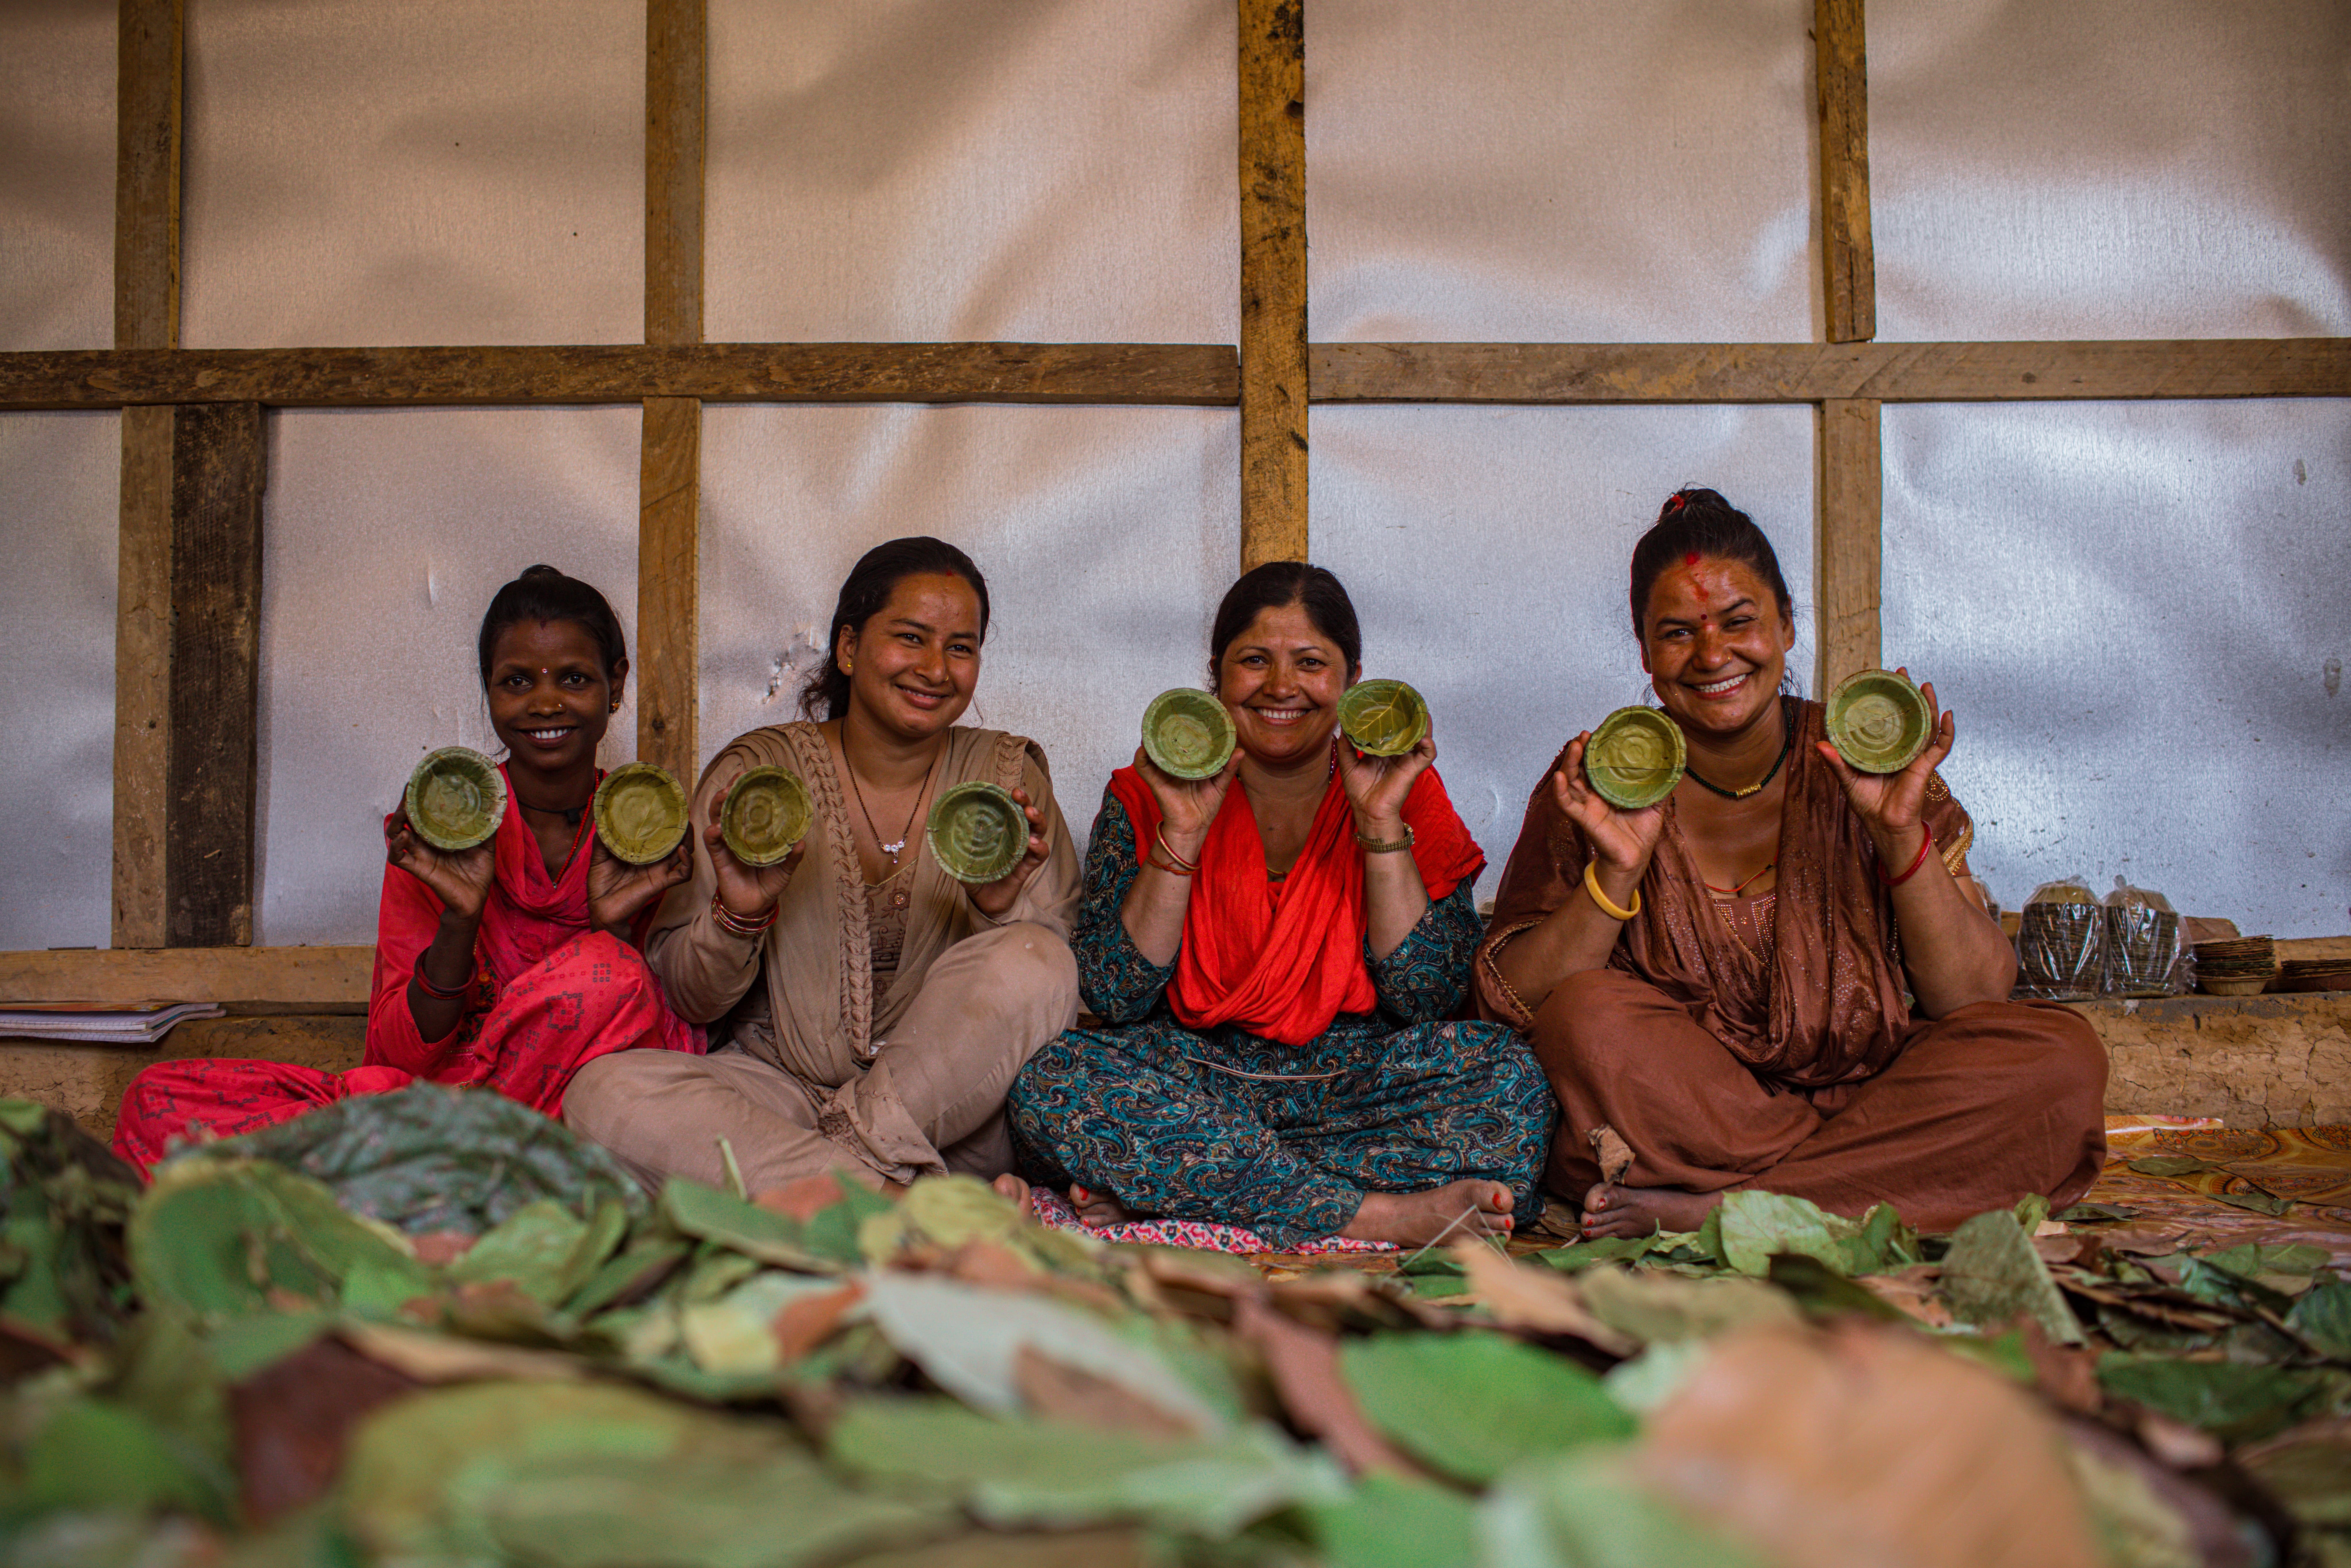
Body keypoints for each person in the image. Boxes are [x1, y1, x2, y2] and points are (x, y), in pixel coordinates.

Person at [1477, 488, 2107, 1237]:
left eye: (1739, 622)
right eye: (1678, 633)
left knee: (2059, 1060)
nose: (1713, 656)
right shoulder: (1600, 781)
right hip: (1694, 1111)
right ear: (1645, 652)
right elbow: (1517, 1000)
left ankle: (1725, 1209)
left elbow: (1975, 997)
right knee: (1587, 1021)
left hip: (1873, 1093)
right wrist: (1615, 875)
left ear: (1786, 627)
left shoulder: (1872, 764)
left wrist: (1898, 834)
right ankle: (1867, 1189)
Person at [1005, 563, 1554, 1249]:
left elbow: (1425, 996)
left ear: (1353, 679)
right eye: (1254, 661)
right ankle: (1379, 1213)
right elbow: (1116, 994)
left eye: (1311, 663)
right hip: (1195, 1075)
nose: (1281, 687)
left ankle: (1186, 1185)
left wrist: (1378, 821)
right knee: (1054, 1083)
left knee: (1506, 1080)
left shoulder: (1405, 787)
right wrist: (1181, 835)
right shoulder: (1149, 792)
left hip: (1354, 1083)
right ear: (1216, 673)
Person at [112, 565, 704, 1172]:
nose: (545, 702)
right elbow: (402, 1057)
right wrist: (459, 918)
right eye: (517, 681)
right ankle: (435, 1167)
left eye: (574, 678)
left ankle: (407, 1175)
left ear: (616, 683)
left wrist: (611, 929)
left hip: (556, 1129)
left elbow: (654, 1043)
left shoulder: (647, 833)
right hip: (421, 1111)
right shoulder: (440, 832)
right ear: (490, 691)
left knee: (613, 974)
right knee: (157, 1102)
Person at [561, 538, 1080, 1196]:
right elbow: (689, 997)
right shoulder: (756, 779)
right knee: (603, 1095)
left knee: (1039, 954)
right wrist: (739, 914)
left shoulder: (1008, 782)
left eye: (961, 646)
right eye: (911, 637)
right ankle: (909, 1206)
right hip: (777, 1093)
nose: (936, 668)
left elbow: (1048, 991)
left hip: (941, 1120)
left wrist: (999, 910)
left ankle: (850, 1191)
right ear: (848, 648)